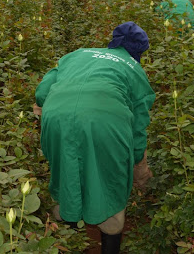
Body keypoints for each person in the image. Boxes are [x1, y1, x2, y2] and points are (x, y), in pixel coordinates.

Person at [34, 22, 155, 254]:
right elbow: (139, 127)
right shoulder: (133, 68)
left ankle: (67, 237)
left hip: (57, 116)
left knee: (66, 170)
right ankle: (109, 236)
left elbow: (41, 93)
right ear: (137, 53)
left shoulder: (77, 54)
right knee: (110, 181)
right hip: (108, 120)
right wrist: (138, 163)